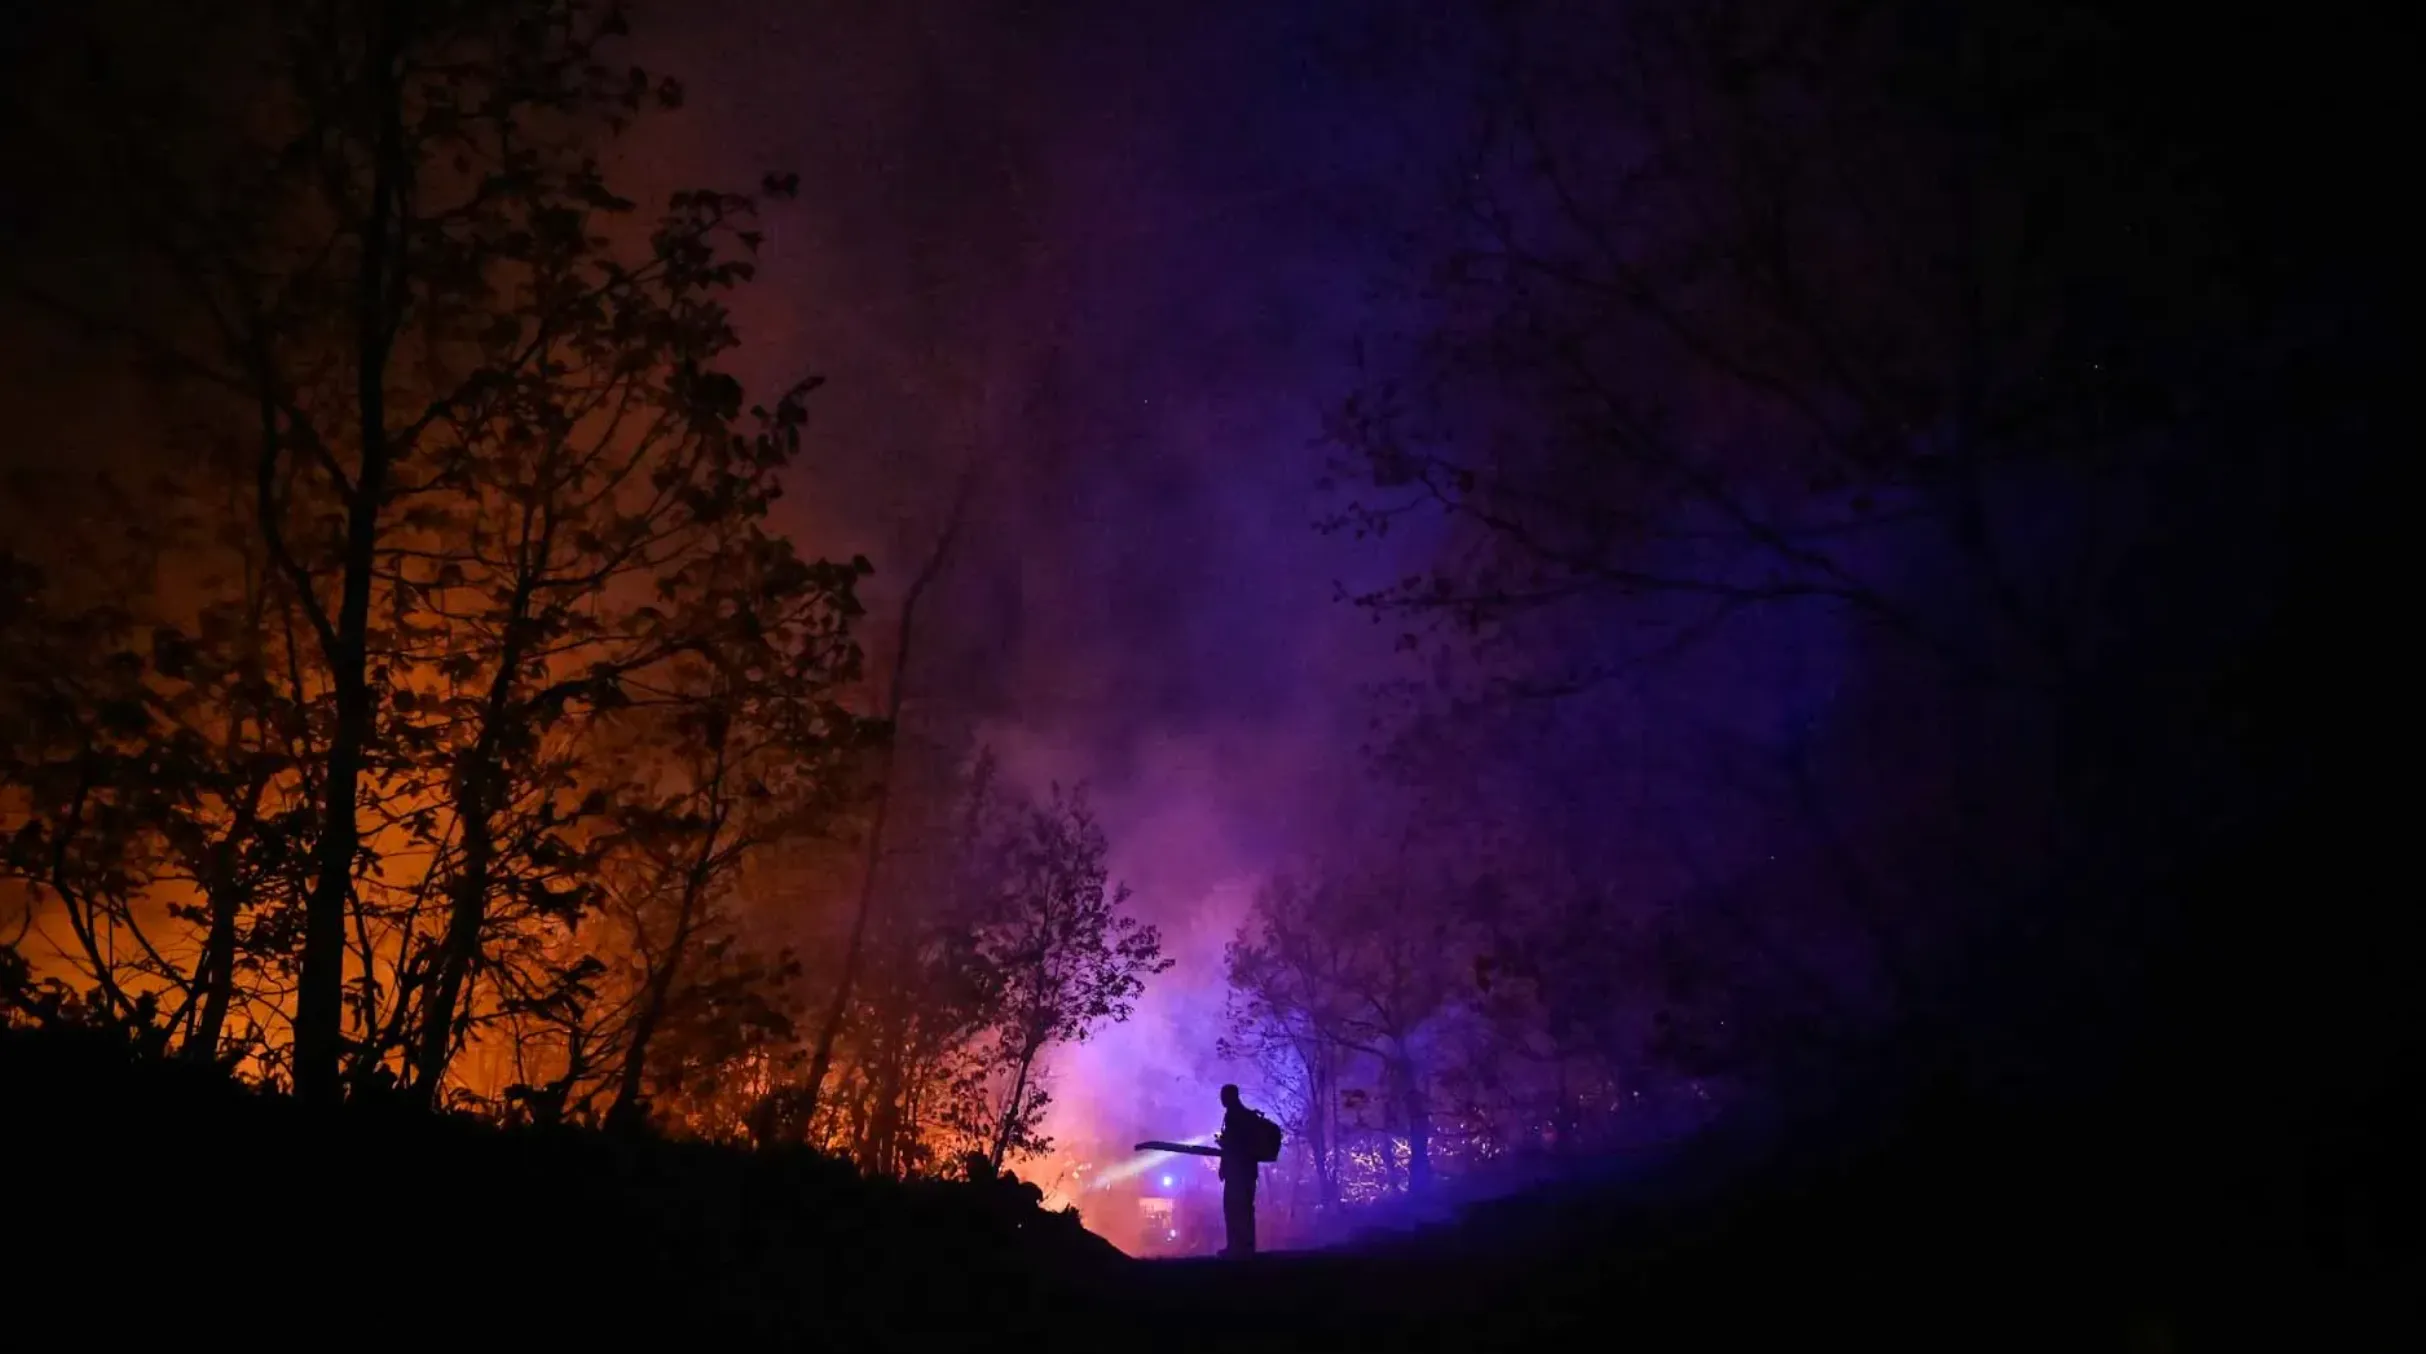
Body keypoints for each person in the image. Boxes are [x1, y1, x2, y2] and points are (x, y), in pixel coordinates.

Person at [1215, 1083, 1259, 1257]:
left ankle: (1235, 1247)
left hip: (1237, 1173)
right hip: (1248, 1172)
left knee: (1233, 1210)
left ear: (1230, 1096)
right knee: (1246, 1210)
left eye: (1223, 1096)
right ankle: (1247, 1247)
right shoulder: (1247, 1116)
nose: (1221, 1099)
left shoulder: (1234, 1116)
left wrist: (1223, 1166)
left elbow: (1231, 1146)